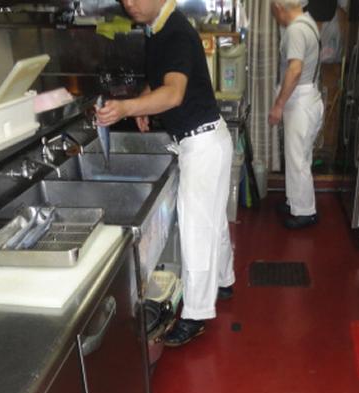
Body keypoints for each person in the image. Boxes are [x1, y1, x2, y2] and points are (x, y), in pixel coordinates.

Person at [97, 0, 235, 347]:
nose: (129, 3)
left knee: (196, 232)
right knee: (213, 221)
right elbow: (161, 79)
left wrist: (127, 107)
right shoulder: (157, 29)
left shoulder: (175, 33)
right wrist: (143, 102)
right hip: (205, 140)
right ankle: (224, 280)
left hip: (202, 145)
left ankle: (196, 315)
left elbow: (173, 94)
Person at [268, 0, 324, 230]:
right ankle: (295, 202)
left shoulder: (296, 30)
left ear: (280, 7)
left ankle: (305, 212)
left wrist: (278, 105)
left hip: (300, 101)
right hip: (307, 98)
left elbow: (295, 69)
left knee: (297, 159)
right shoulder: (309, 23)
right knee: (299, 157)